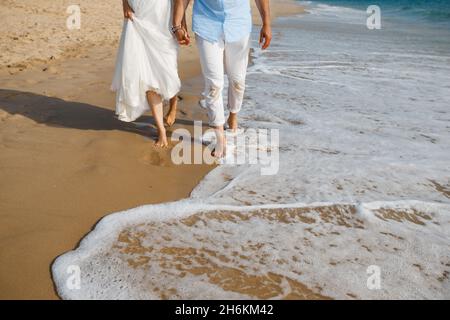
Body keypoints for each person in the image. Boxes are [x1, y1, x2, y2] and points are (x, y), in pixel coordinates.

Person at [173, 0, 272, 157]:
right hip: (206, 24)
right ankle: (220, 138)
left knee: (238, 81)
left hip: (239, 24)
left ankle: (233, 114)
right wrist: (177, 24)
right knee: (214, 84)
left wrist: (266, 23)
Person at [112, 0, 189, 147]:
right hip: (137, 15)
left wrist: (181, 23)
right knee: (146, 74)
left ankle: (173, 102)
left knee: (167, 70)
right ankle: (161, 131)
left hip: (162, 17)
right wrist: (125, 4)